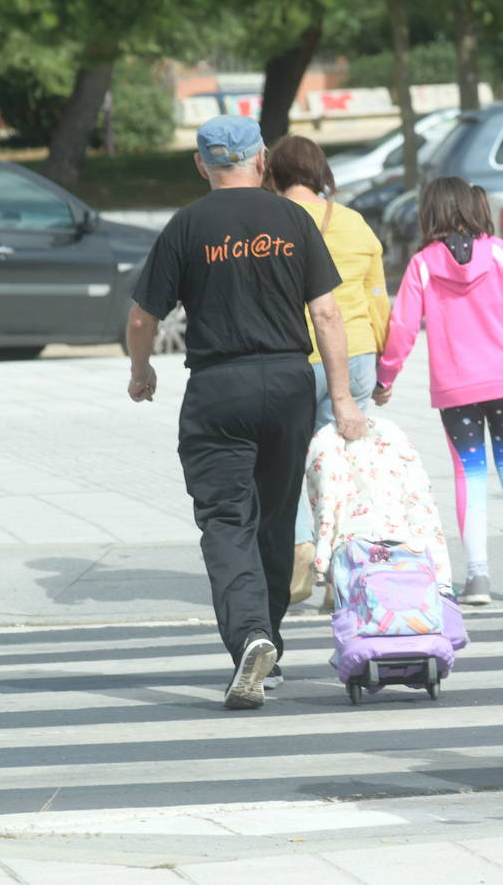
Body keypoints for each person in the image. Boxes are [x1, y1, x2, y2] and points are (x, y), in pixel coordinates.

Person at [126, 115, 367, 710]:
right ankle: (271, 645)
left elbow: (140, 319)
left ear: (201, 164)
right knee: (278, 516)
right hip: (288, 382)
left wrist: (141, 371)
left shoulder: (186, 225)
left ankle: (251, 639)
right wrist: (340, 398)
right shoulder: (293, 219)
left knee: (227, 519)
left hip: (218, 386)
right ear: (261, 159)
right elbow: (329, 316)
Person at [373, 176, 503, 606]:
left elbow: (402, 327)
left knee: (468, 474)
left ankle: (477, 578)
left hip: (455, 388)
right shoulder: (500, 254)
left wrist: (386, 376)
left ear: (430, 211)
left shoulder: (422, 263)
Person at [264, 135, 390, 615]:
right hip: (354, 354)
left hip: (291, 355)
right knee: (339, 467)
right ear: (321, 173)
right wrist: (385, 364)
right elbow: (377, 298)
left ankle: (300, 548)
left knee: (287, 461)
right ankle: (341, 571)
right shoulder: (356, 224)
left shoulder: (270, 223)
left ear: (273, 173)